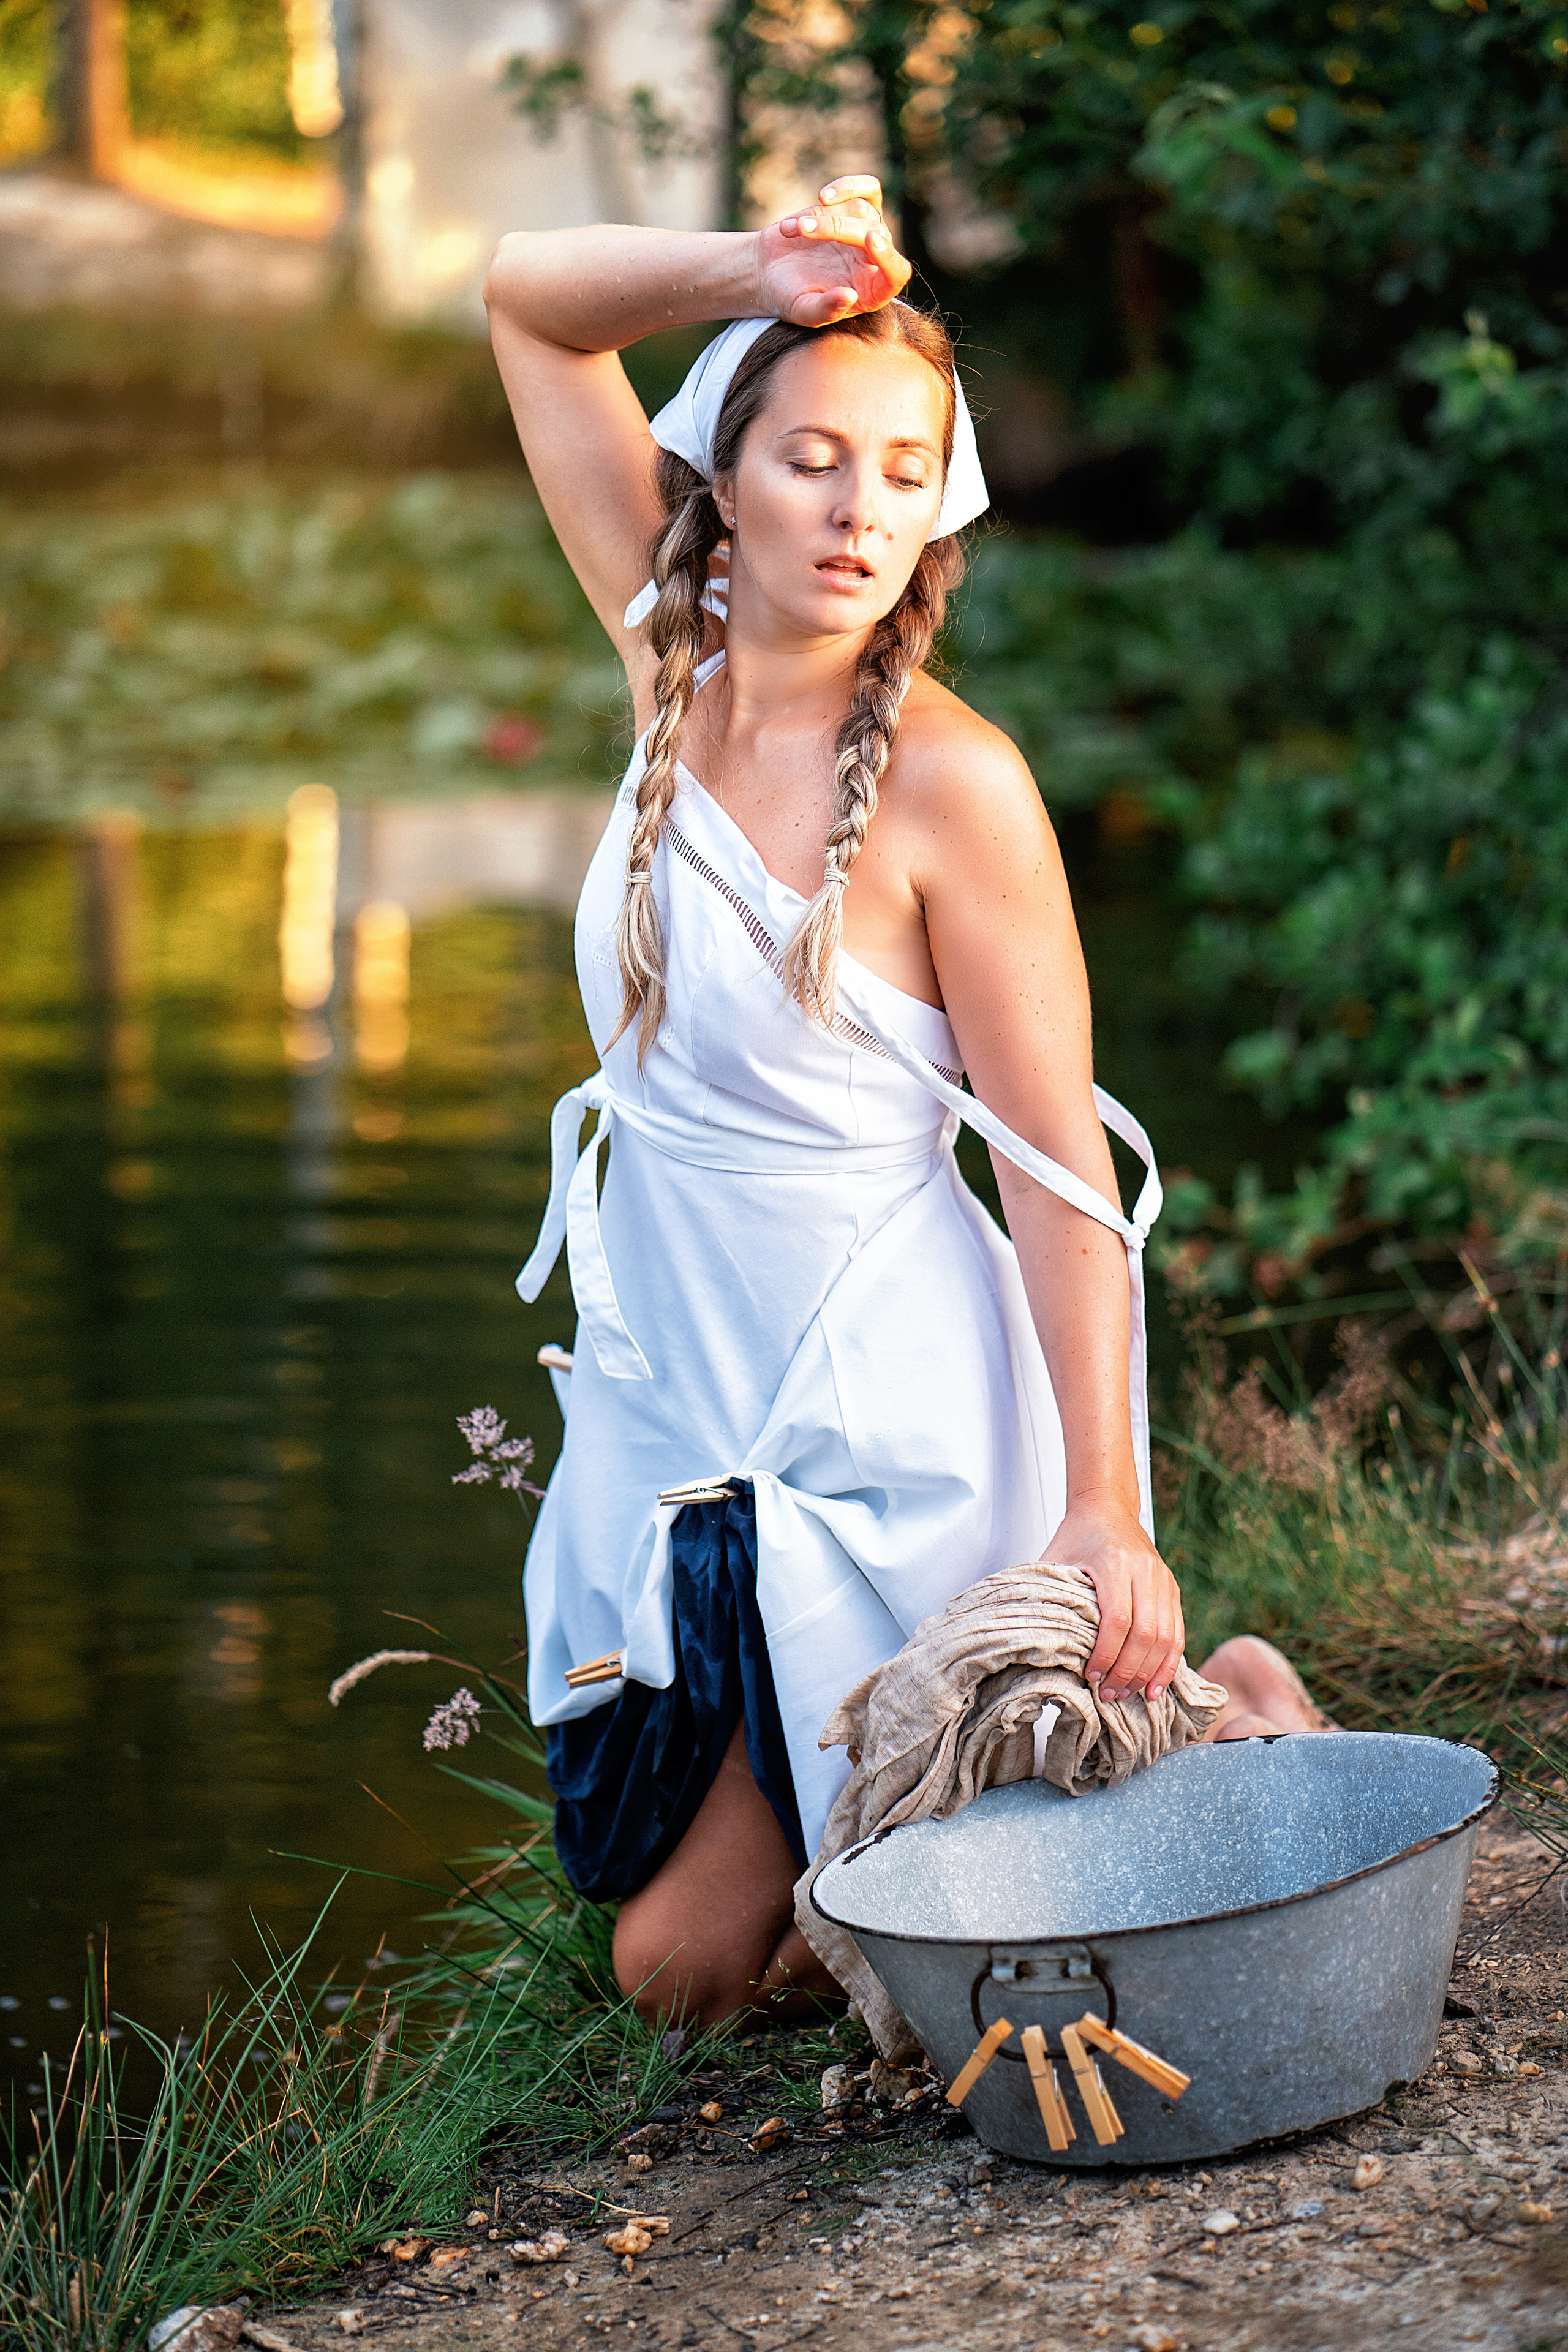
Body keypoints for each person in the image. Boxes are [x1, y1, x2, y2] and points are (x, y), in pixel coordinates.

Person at [483, 178, 1325, 2032]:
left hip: (895, 1426)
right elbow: (529, 303)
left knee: (795, 1950)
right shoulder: (667, 649)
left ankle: (1225, 1709)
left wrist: (1108, 1512)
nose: (858, 509)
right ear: (725, 470)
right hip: (677, 1406)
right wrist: (751, 272)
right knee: (685, 1972)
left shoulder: (961, 788)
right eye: (812, 459)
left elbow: (1058, 1176)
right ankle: (900, 1827)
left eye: (899, 466)